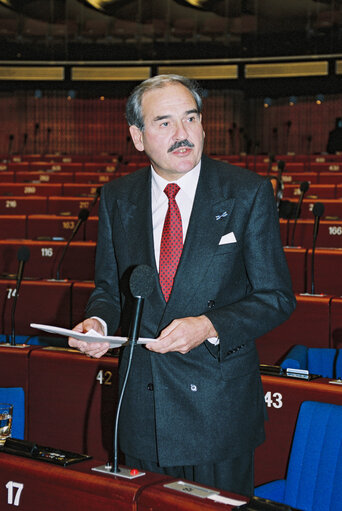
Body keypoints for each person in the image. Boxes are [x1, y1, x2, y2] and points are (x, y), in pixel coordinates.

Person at [68, 74, 296, 496]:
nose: (182, 134)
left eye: (190, 118)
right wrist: (98, 323)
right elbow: (110, 289)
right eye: (164, 123)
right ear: (138, 137)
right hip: (141, 408)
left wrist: (209, 325)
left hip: (218, 411)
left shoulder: (247, 193)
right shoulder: (118, 197)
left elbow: (277, 298)